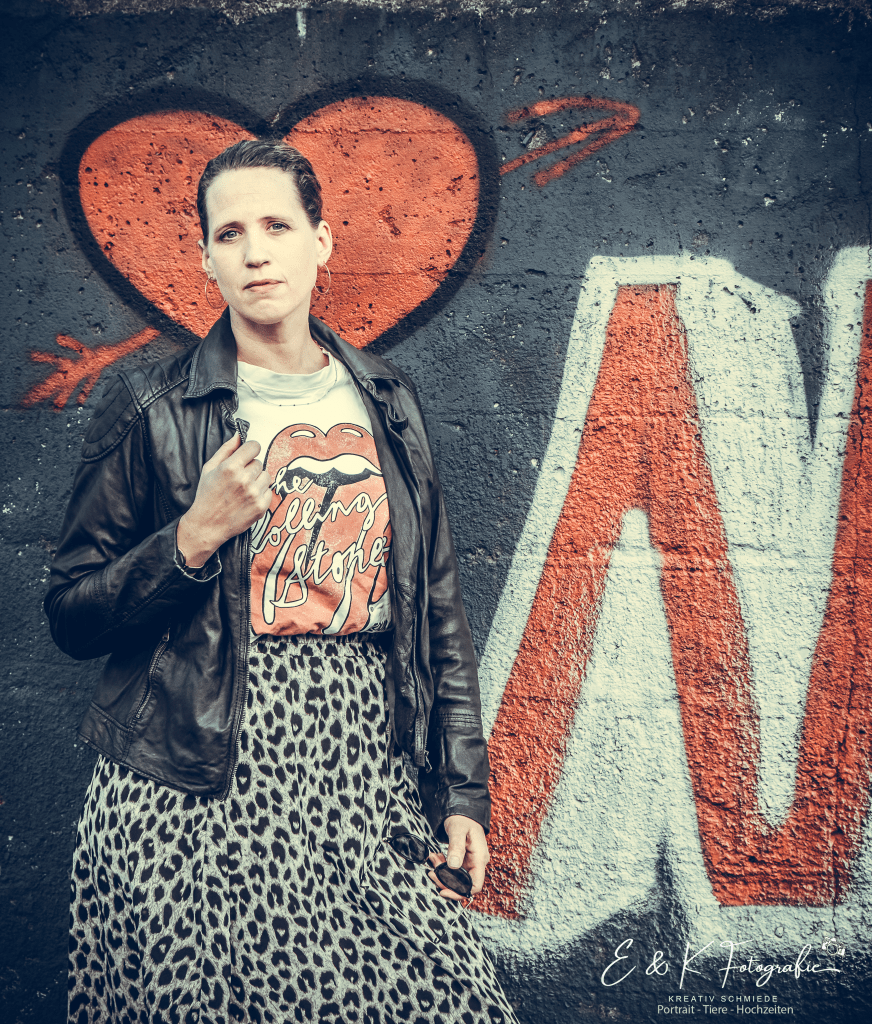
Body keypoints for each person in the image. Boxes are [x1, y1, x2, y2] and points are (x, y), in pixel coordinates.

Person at [46, 140, 518, 1024]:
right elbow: (71, 614)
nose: (255, 252)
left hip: (358, 773)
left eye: (277, 226)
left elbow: (437, 611)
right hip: (190, 780)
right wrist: (192, 536)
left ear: (321, 241)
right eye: (230, 234)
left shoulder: (387, 401)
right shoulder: (152, 406)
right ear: (206, 259)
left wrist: (462, 793)